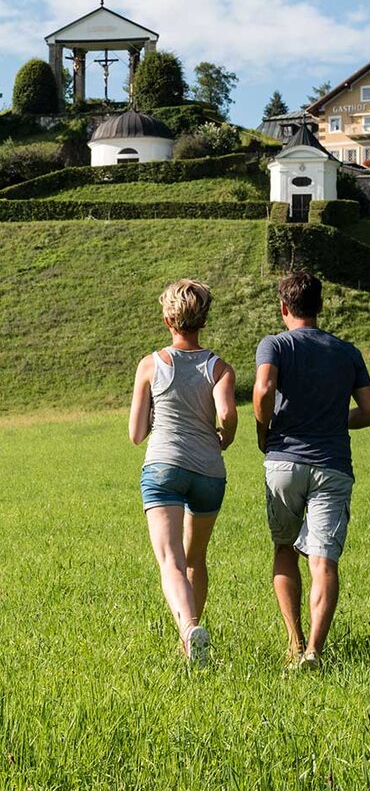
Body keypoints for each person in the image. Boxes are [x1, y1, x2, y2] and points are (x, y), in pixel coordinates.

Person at [253, 270, 370, 670]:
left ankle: (293, 643)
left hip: (284, 461)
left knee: (284, 549)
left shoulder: (274, 344)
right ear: (320, 306)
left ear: (283, 308)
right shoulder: (347, 352)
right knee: (323, 561)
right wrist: (333, 419)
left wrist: (263, 430)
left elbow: (263, 389)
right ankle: (314, 650)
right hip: (332, 465)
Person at [129, 279, 237, 666]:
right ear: (203, 319)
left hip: (164, 468)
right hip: (209, 471)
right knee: (195, 558)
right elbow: (226, 413)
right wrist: (225, 436)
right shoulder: (219, 368)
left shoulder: (150, 364)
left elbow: (136, 434)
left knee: (171, 562)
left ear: (167, 320)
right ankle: (189, 641)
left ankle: (190, 629)